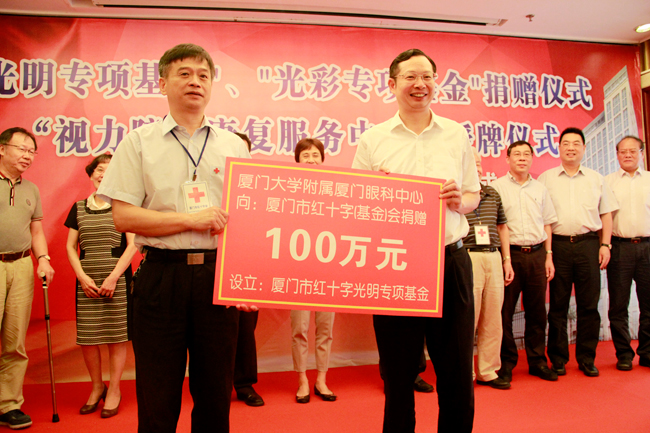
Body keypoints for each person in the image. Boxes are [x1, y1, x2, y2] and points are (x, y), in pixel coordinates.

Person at [96, 43, 254, 433]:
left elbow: (247, 219)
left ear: (212, 85)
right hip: (161, 276)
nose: (195, 81)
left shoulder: (234, 145)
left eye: (203, 75)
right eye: (184, 73)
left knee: (215, 393)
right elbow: (123, 216)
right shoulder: (139, 142)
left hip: (217, 279)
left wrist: (246, 278)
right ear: (163, 83)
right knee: (157, 393)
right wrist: (190, 220)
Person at [352, 48, 480, 433]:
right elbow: (356, 204)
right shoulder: (373, 139)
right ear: (393, 84)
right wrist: (376, 193)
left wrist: (460, 201)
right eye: (410, 77)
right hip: (394, 265)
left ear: (435, 83)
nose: (419, 84)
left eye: (427, 76)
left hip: (450, 261)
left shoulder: (456, 134)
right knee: (398, 373)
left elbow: (473, 195)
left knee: (456, 369)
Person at [538, 127, 618, 377]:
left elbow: (606, 214)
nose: (571, 148)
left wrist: (605, 245)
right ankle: (558, 359)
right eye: (566, 143)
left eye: (576, 143)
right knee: (558, 305)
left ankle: (586, 358)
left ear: (584, 148)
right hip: (558, 246)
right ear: (559, 148)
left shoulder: (596, 178)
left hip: (588, 244)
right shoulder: (546, 179)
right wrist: (547, 253)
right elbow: (540, 216)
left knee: (589, 305)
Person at [64, 154, 138, 418]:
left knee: (116, 338)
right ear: (91, 174)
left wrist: (114, 277)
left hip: (116, 279)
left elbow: (133, 244)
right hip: (87, 280)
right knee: (88, 337)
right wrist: (82, 277)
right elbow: (70, 247)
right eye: (99, 169)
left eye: (109, 170)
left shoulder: (124, 206)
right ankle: (97, 386)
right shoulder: (78, 208)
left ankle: (115, 389)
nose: (103, 174)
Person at [0, 127, 55, 430]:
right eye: (21, 148)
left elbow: (36, 230)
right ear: (2, 149)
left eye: (32, 151)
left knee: (15, 339)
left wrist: (43, 258)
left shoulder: (31, 189)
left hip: (21, 265)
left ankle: (9, 404)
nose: (27, 155)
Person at [491, 141, 558, 384]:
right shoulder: (496, 188)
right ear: (507, 159)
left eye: (526, 154)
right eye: (517, 154)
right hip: (510, 256)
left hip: (538, 254)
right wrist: (505, 259)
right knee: (505, 312)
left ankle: (537, 361)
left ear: (531, 158)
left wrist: (548, 256)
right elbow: (497, 226)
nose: (522, 158)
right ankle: (506, 363)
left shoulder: (540, 189)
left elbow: (547, 223)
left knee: (537, 312)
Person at [291, 137, 337, 404]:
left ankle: (321, 378)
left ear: (323, 159)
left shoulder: (335, 191)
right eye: (305, 156)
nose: (311, 160)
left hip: (328, 268)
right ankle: (302, 380)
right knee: (299, 327)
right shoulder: (286, 191)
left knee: (325, 327)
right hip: (298, 268)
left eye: (315, 155)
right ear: (297, 160)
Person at [463, 148, 513, 390]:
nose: (477, 167)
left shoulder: (493, 193)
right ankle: (465, 372)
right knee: (467, 318)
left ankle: (488, 370)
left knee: (493, 317)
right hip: (467, 256)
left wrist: (507, 260)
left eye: (479, 163)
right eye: (472, 163)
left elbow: (502, 227)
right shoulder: (457, 195)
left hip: (493, 256)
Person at [605, 136, 650, 370]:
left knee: (648, 304)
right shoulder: (608, 182)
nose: (628, 155)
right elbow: (604, 218)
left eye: (633, 151)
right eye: (623, 151)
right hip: (619, 247)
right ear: (617, 155)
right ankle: (623, 353)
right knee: (618, 305)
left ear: (641, 153)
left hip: (648, 247)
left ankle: (647, 352)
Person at [231, 132, 264, 407]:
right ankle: (214, 384)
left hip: (249, 268)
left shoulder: (262, 189)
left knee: (244, 330)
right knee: (213, 331)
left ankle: (244, 384)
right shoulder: (212, 183)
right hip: (213, 264)